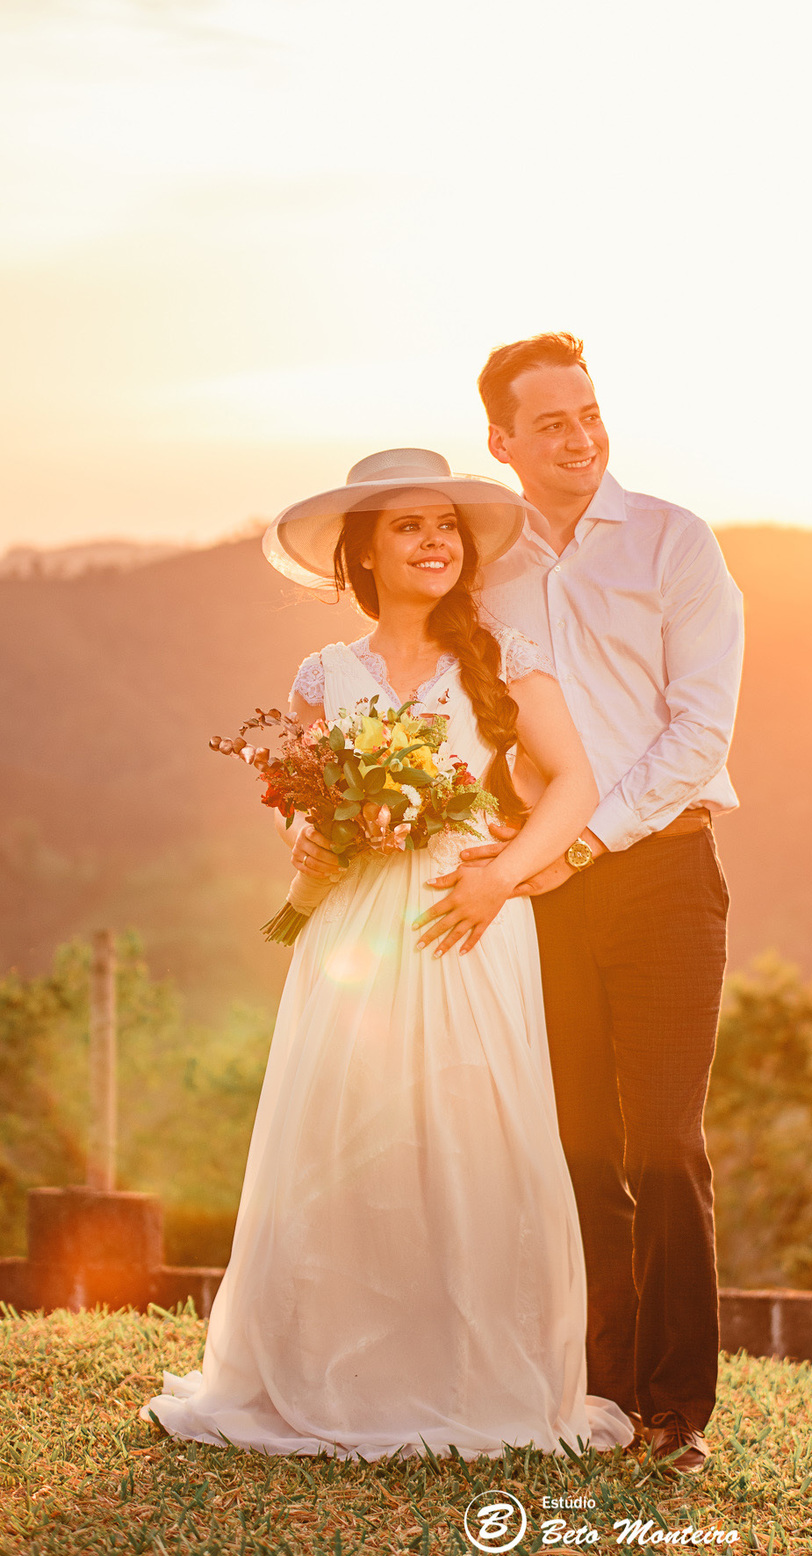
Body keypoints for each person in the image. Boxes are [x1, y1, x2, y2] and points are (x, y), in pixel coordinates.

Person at [142, 448, 633, 1460]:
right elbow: (299, 807)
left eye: (446, 526)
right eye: (409, 527)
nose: (435, 542)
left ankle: (468, 1376)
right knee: (348, 1132)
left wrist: (506, 875)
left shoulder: (505, 655)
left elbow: (578, 784)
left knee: (467, 1131)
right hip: (355, 925)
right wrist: (306, 838)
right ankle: (342, 1374)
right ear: (365, 550)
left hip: (468, 919)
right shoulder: (323, 676)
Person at [428, 333, 744, 1474]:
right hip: (539, 889)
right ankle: (603, 1394)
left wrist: (585, 842)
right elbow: (464, 718)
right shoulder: (484, 569)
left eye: (591, 413)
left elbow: (701, 729)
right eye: (552, 422)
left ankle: (678, 1410)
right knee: (575, 1145)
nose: (581, 437)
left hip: (663, 871)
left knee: (662, 1145)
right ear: (502, 441)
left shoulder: (674, 540)